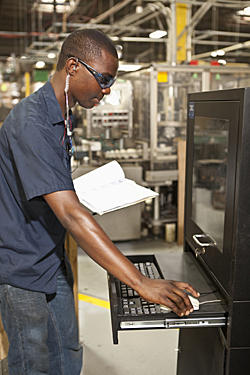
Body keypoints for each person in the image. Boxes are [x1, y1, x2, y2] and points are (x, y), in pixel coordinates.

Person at [0, 29, 199, 374]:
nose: (106, 91)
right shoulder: (31, 121)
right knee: (33, 362)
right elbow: (72, 216)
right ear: (73, 67)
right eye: (104, 79)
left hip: (50, 257)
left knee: (67, 353)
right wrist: (139, 281)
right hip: (21, 266)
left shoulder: (64, 114)